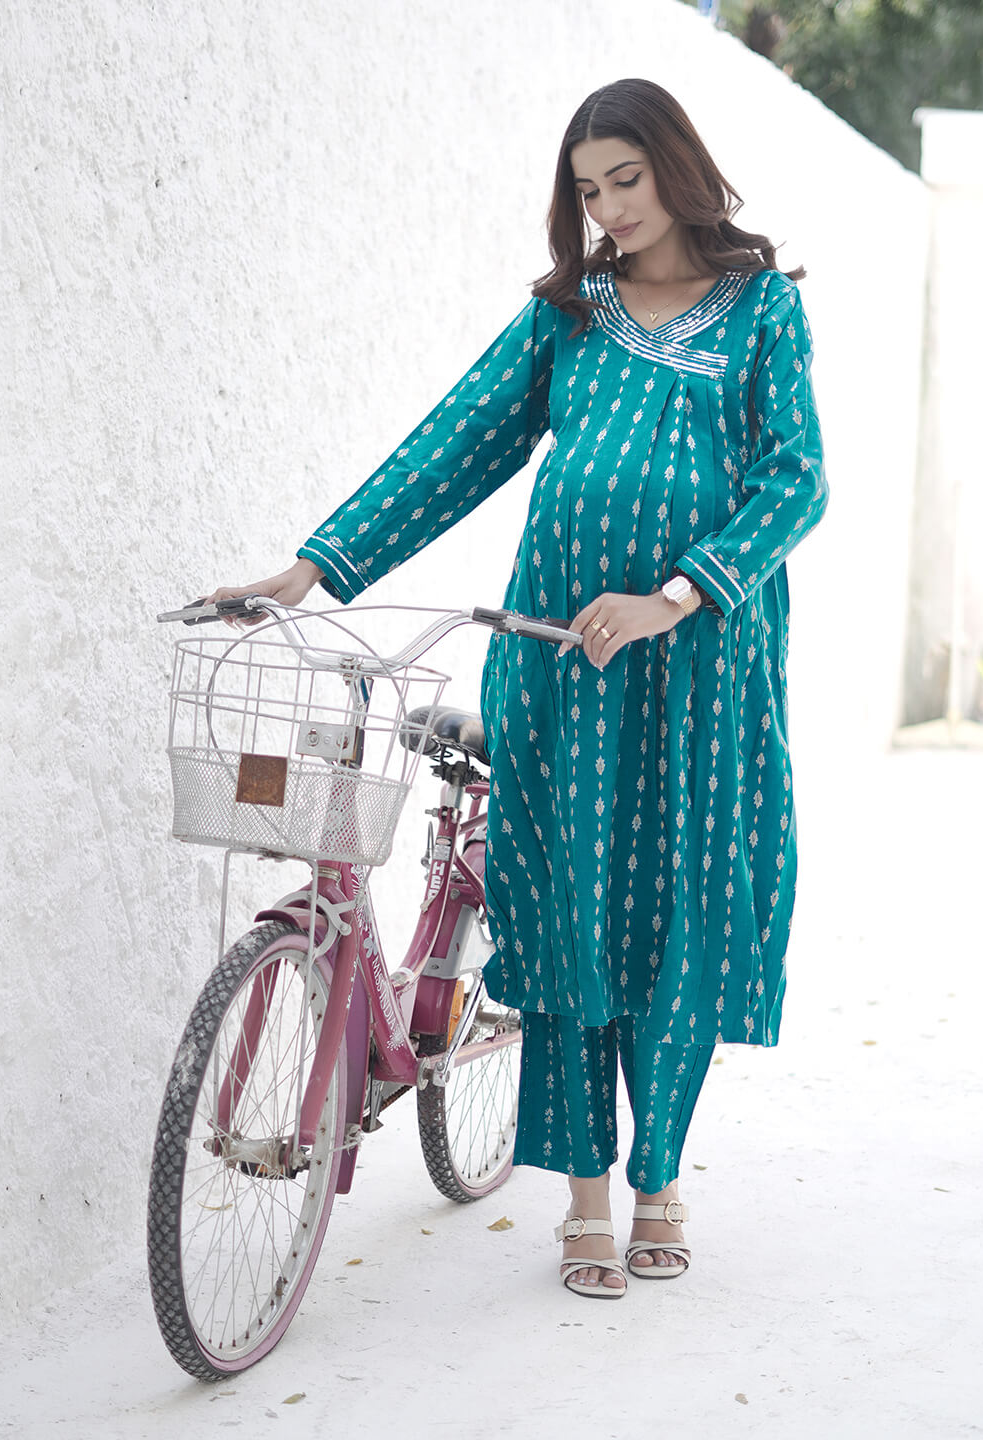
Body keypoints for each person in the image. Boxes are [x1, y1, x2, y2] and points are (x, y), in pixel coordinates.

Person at [207, 77, 827, 1300]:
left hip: (701, 673)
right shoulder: (570, 313)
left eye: (627, 179)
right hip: (561, 666)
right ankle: (586, 1194)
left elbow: (796, 480)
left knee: (676, 919)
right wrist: (315, 565)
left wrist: (675, 595)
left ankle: (661, 1179)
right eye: (589, 190)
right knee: (570, 917)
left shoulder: (763, 310)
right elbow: (457, 444)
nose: (611, 207)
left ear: (677, 167)